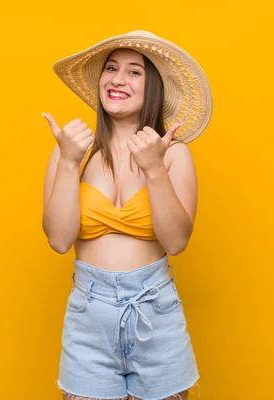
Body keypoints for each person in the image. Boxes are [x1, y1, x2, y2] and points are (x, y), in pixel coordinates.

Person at [42, 30, 213, 400]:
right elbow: (58, 240)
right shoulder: (72, 151)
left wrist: (153, 170)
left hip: (156, 313)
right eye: (111, 68)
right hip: (89, 316)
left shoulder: (174, 155)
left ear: (152, 87)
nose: (118, 79)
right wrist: (69, 162)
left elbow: (177, 242)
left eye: (134, 72)